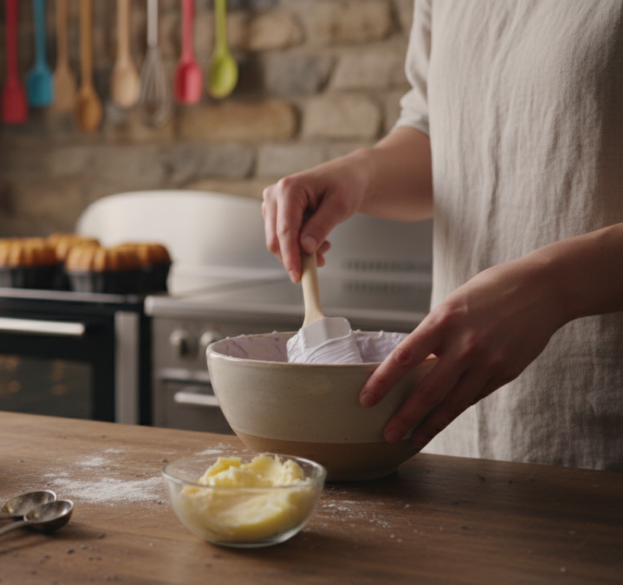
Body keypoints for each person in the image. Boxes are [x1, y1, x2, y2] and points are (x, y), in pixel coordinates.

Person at [261, 0, 623, 471]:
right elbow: (440, 131)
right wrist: (358, 175)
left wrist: (553, 288)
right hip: (456, 435)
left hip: (602, 436)